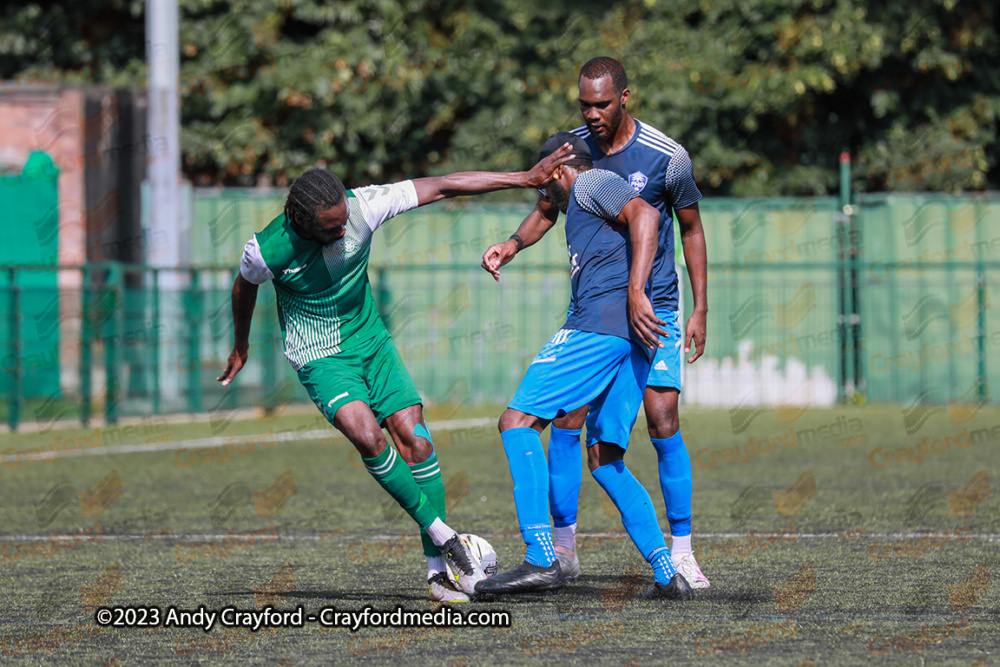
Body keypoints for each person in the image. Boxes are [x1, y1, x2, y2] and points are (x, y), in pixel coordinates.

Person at [216, 146, 575, 603]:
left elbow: (444, 185)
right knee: (368, 437)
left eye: (345, 219)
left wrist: (523, 178)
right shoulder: (265, 250)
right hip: (320, 354)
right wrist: (241, 344)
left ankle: (438, 576)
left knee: (417, 442)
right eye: (331, 228)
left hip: (372, 341)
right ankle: (447, 537)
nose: (345, 230)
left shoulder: (364, 205)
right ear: (302, 221)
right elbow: (244, 286)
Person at [482, 57, 710, 588]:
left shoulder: (663, 158)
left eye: (601, 104)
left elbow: (676, 224)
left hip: (642, 313)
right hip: (619, 320)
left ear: (624, 98)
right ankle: (647, 566)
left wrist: (691, 305)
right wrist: (512, 244)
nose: (591, 114)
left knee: (659, 421)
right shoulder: (572, 153)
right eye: (584, 104)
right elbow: (547, 204)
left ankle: (673, 551)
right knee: (596, 449)